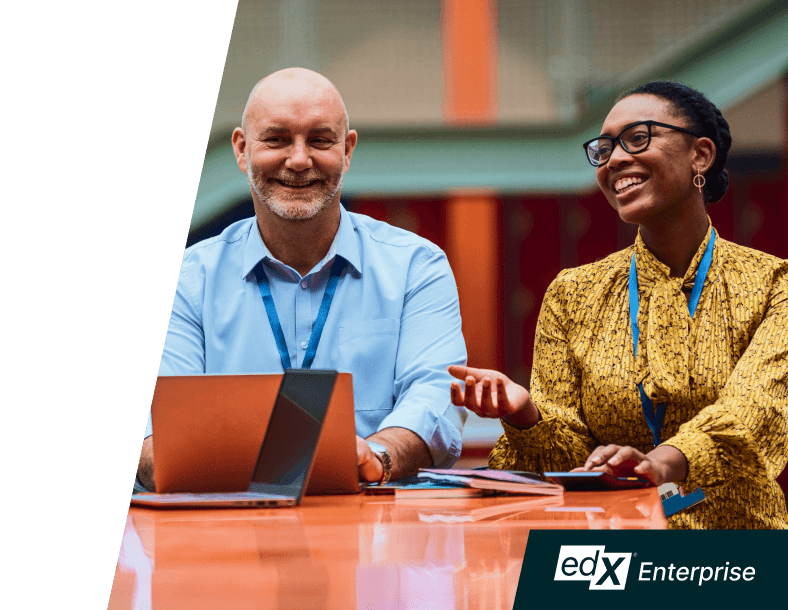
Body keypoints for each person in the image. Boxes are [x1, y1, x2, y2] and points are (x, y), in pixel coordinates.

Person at [449, 81, 787, 529]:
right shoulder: (573, 293)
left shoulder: (772, 284)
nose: (615, 159)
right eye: (604, 147)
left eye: (638, 138)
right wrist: (525, 415)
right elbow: (567, 463)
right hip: (610, 553)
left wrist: (662, 464)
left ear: (700, 156)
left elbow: (756, 414)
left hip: (734, 554)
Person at [137, 68, 467, 490]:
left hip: (378, 527)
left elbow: (436, 395)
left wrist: (375, 456)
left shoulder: (416, 268)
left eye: (320, 140)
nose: (298, 160)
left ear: (347, 151)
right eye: (276, 139)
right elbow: (154, 437)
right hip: (223, 528)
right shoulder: (186, 281)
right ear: (241, 150)